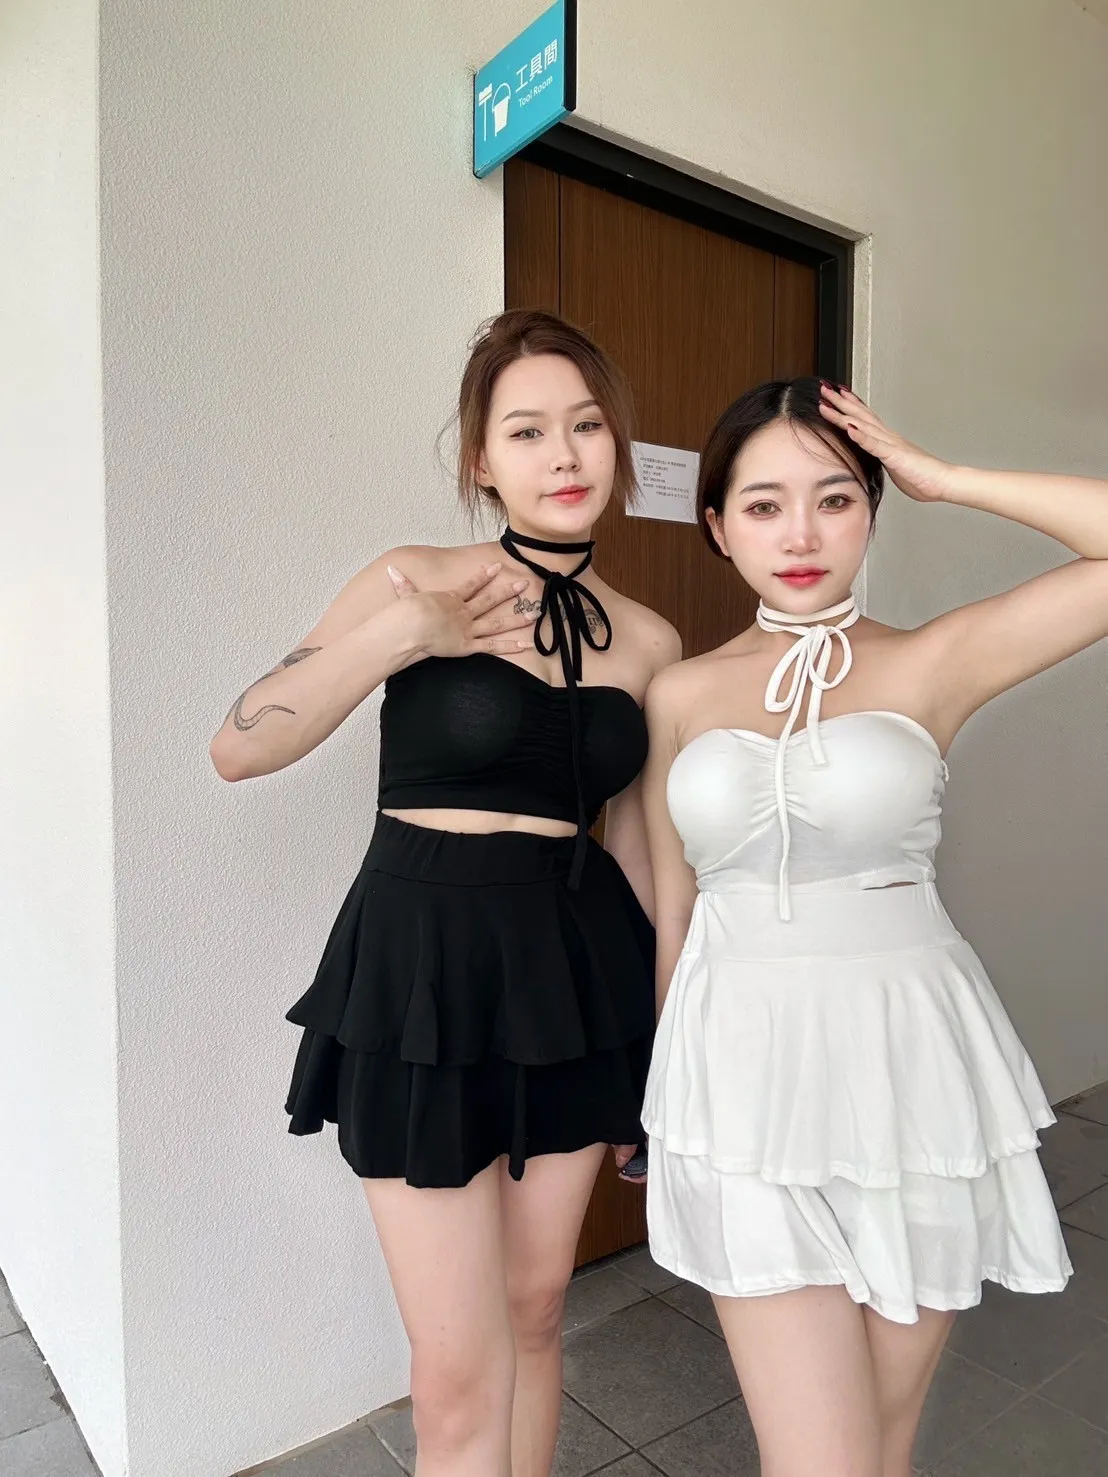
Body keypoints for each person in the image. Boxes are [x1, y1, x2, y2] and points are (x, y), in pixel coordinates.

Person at [209, 309, 679, 1477]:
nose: (562, 455)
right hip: (420, 964)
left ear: (616, 443)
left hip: (575, 978)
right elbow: (239, 747)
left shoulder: (650, 640)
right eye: (527, 431)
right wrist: (403, 634)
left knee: (536, 1309)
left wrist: (671, 1046)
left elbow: (642, 852)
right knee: (456, 1370)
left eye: (585, 426)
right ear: (480, 460)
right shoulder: (412, 577)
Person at [640, 376, 1106, 1477]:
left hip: (914, 1068)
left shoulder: (931, 660)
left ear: (873, 511)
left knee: (880, 1449)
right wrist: (661, 1089)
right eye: (763, 505)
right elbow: (674, 904)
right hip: (739, 1076)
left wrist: (946, 477)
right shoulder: (678, 694)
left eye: (835, 498)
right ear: (717, 525)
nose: (799, 534)